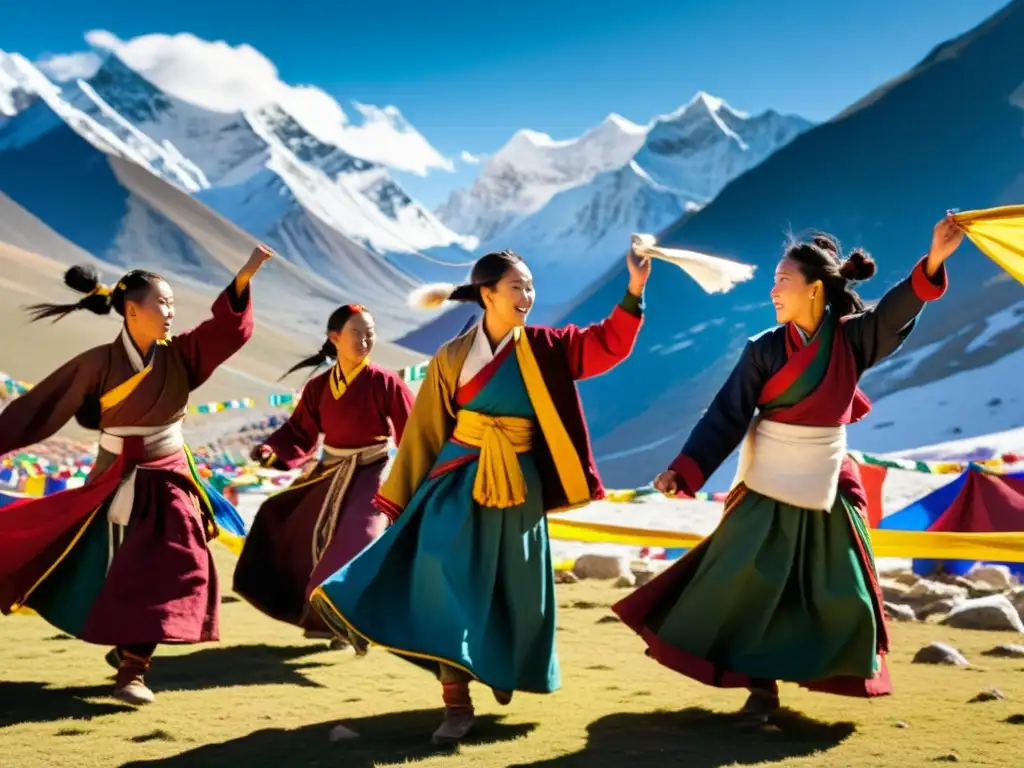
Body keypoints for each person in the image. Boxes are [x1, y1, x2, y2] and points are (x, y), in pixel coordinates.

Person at [612, 216, 965, 718]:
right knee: (746, 582)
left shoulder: (853, 339)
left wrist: (933, 261)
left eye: (784, 281)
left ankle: (826, 666)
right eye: (774, 280)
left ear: (815, 290)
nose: (773, 290)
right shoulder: (764, 349)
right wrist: (685, 469)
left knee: (841, 589)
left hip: (829, 482)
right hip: (768, 482)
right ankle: (760, 689)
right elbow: (727, 413)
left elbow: (893, 314)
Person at [308, 247, 651, 744]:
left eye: (531, 287)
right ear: (487, 294)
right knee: (439, 571)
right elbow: (425, 429)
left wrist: (634, 292)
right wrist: (398, 497)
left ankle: (500, 667)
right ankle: (456, 703)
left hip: (519, 484)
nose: (528, 296)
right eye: (518, 287)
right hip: (457, 478)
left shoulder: (547, 346)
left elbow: (605, 345)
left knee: (513, 588)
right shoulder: (450, 356)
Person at [0, 245, 273, 706]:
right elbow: (38, 408)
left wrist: (243, 279)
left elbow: (224, 331)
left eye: (172, 304)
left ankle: (132, 670)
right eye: (161, 303)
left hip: (168, 474)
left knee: (179, 559)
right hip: (114, 475)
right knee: (105, 567)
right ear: (132, 310)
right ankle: (128, 649)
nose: (170, 312)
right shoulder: (97, 362)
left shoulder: (181, 354)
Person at [233, 304, 413, 646]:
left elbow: (414, 428)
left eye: (370, 333)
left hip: (372, 471)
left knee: (359, 539)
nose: (365, 340)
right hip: (329, 471)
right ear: (335, 338)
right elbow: (299, 431)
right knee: (282, 521)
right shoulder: (318, 387)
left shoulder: (385, 381)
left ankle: (352, 622)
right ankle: (335, 624)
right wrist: (274, 450)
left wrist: (422, 467)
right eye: (356, 332)